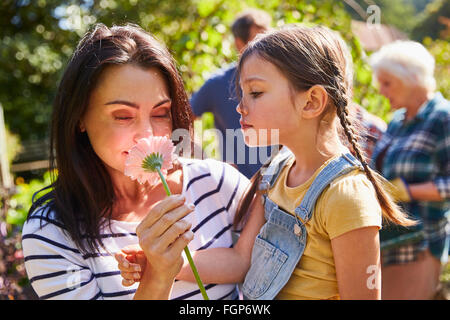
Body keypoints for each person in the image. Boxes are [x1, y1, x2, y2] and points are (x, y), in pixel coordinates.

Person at [117, 25, 415, 300]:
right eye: (242, 93)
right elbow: (240, 260)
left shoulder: (346, 194)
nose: (240, 107)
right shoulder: (276, 171)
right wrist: (167, 263)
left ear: (311, 102)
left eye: (256, 93)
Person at [21, 23, 250, 300]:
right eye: (123, 116)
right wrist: (158, 274)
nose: (147, 135)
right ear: (79, 117)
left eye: (161, 113)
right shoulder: (52, 232)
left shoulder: (217, 183)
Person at [369, 40, 450, 300]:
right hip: (388, 242)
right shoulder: (396, 122)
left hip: (419, 245)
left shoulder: (442, 118)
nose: (381, 91)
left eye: (387, 83)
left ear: (411, 78)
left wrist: (406, 191)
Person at [190, 8, 273, 179]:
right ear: (239, 43)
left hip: (280, 186)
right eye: (258, 40)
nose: (267, 47)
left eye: (269, 39)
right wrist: (207, 163)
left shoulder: (280, 80)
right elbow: (182, 119)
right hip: (238, 190)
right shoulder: (217, 84)